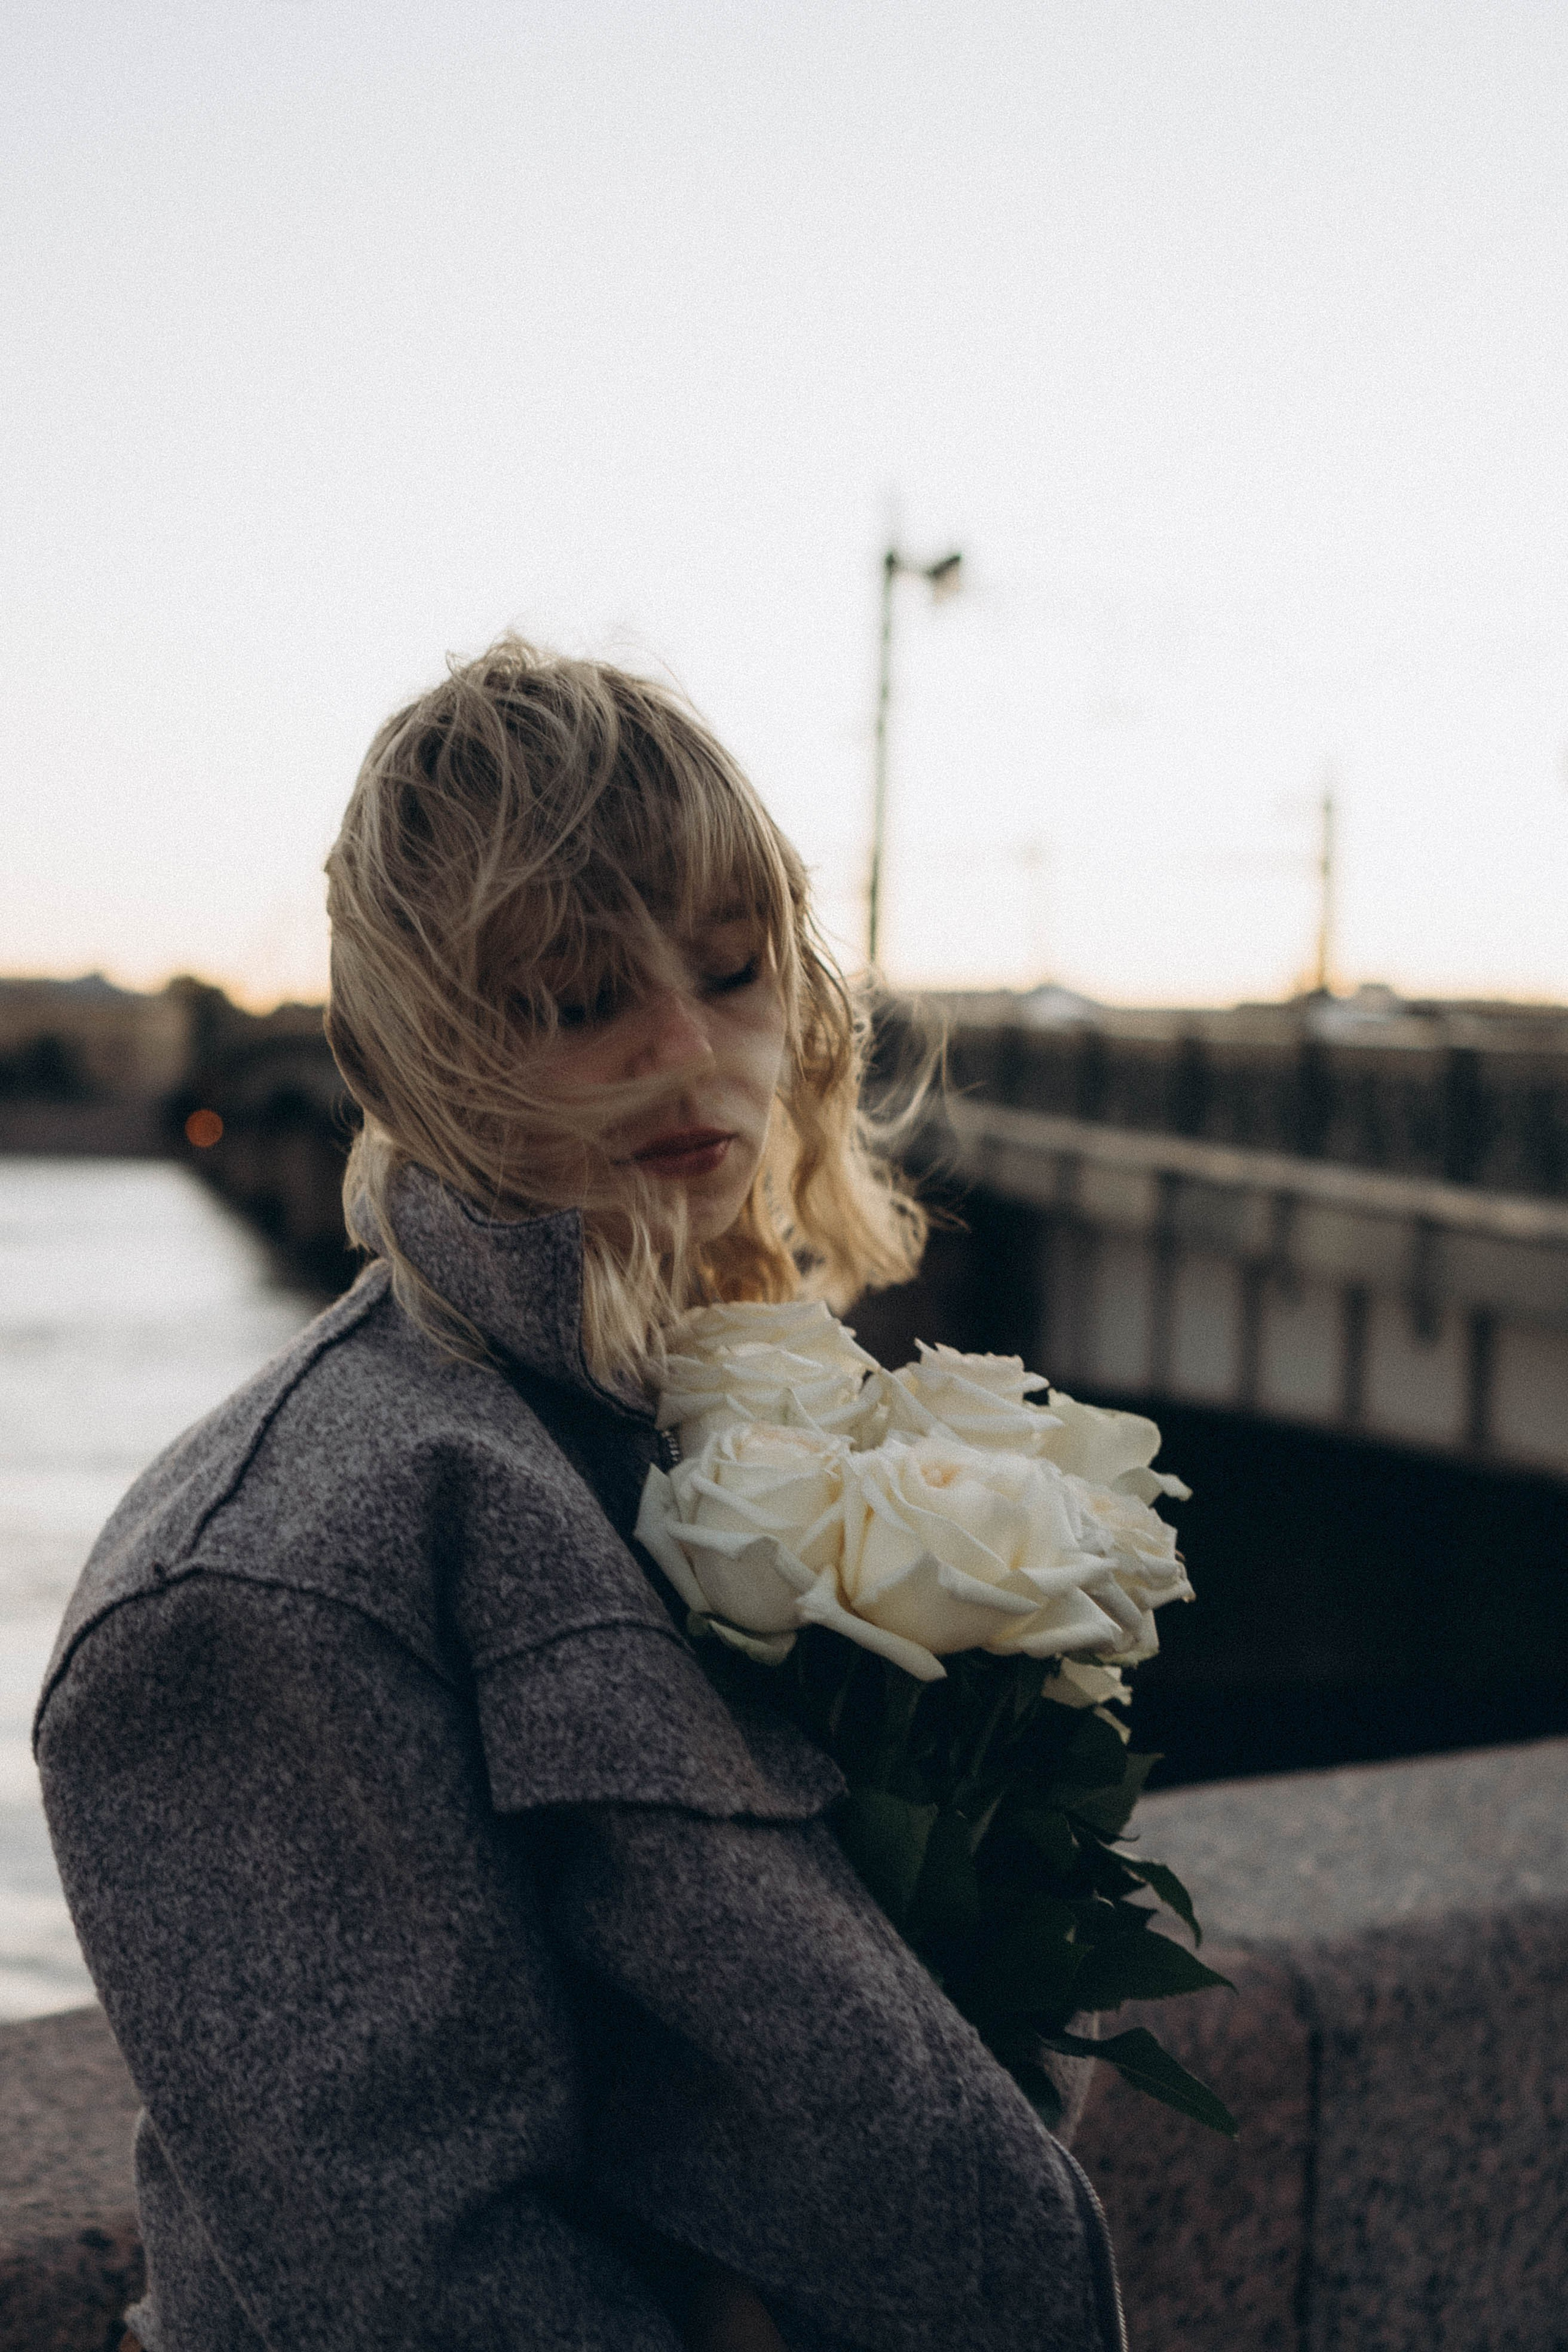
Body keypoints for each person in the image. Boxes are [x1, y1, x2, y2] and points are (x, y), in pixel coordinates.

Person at [36, 638, 1126, 2352]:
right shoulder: (271, 1571)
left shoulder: (754, 1431)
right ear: (409, 1060)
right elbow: (408, 2270)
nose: (691, 1051)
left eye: (734, 970)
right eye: (576, 999)